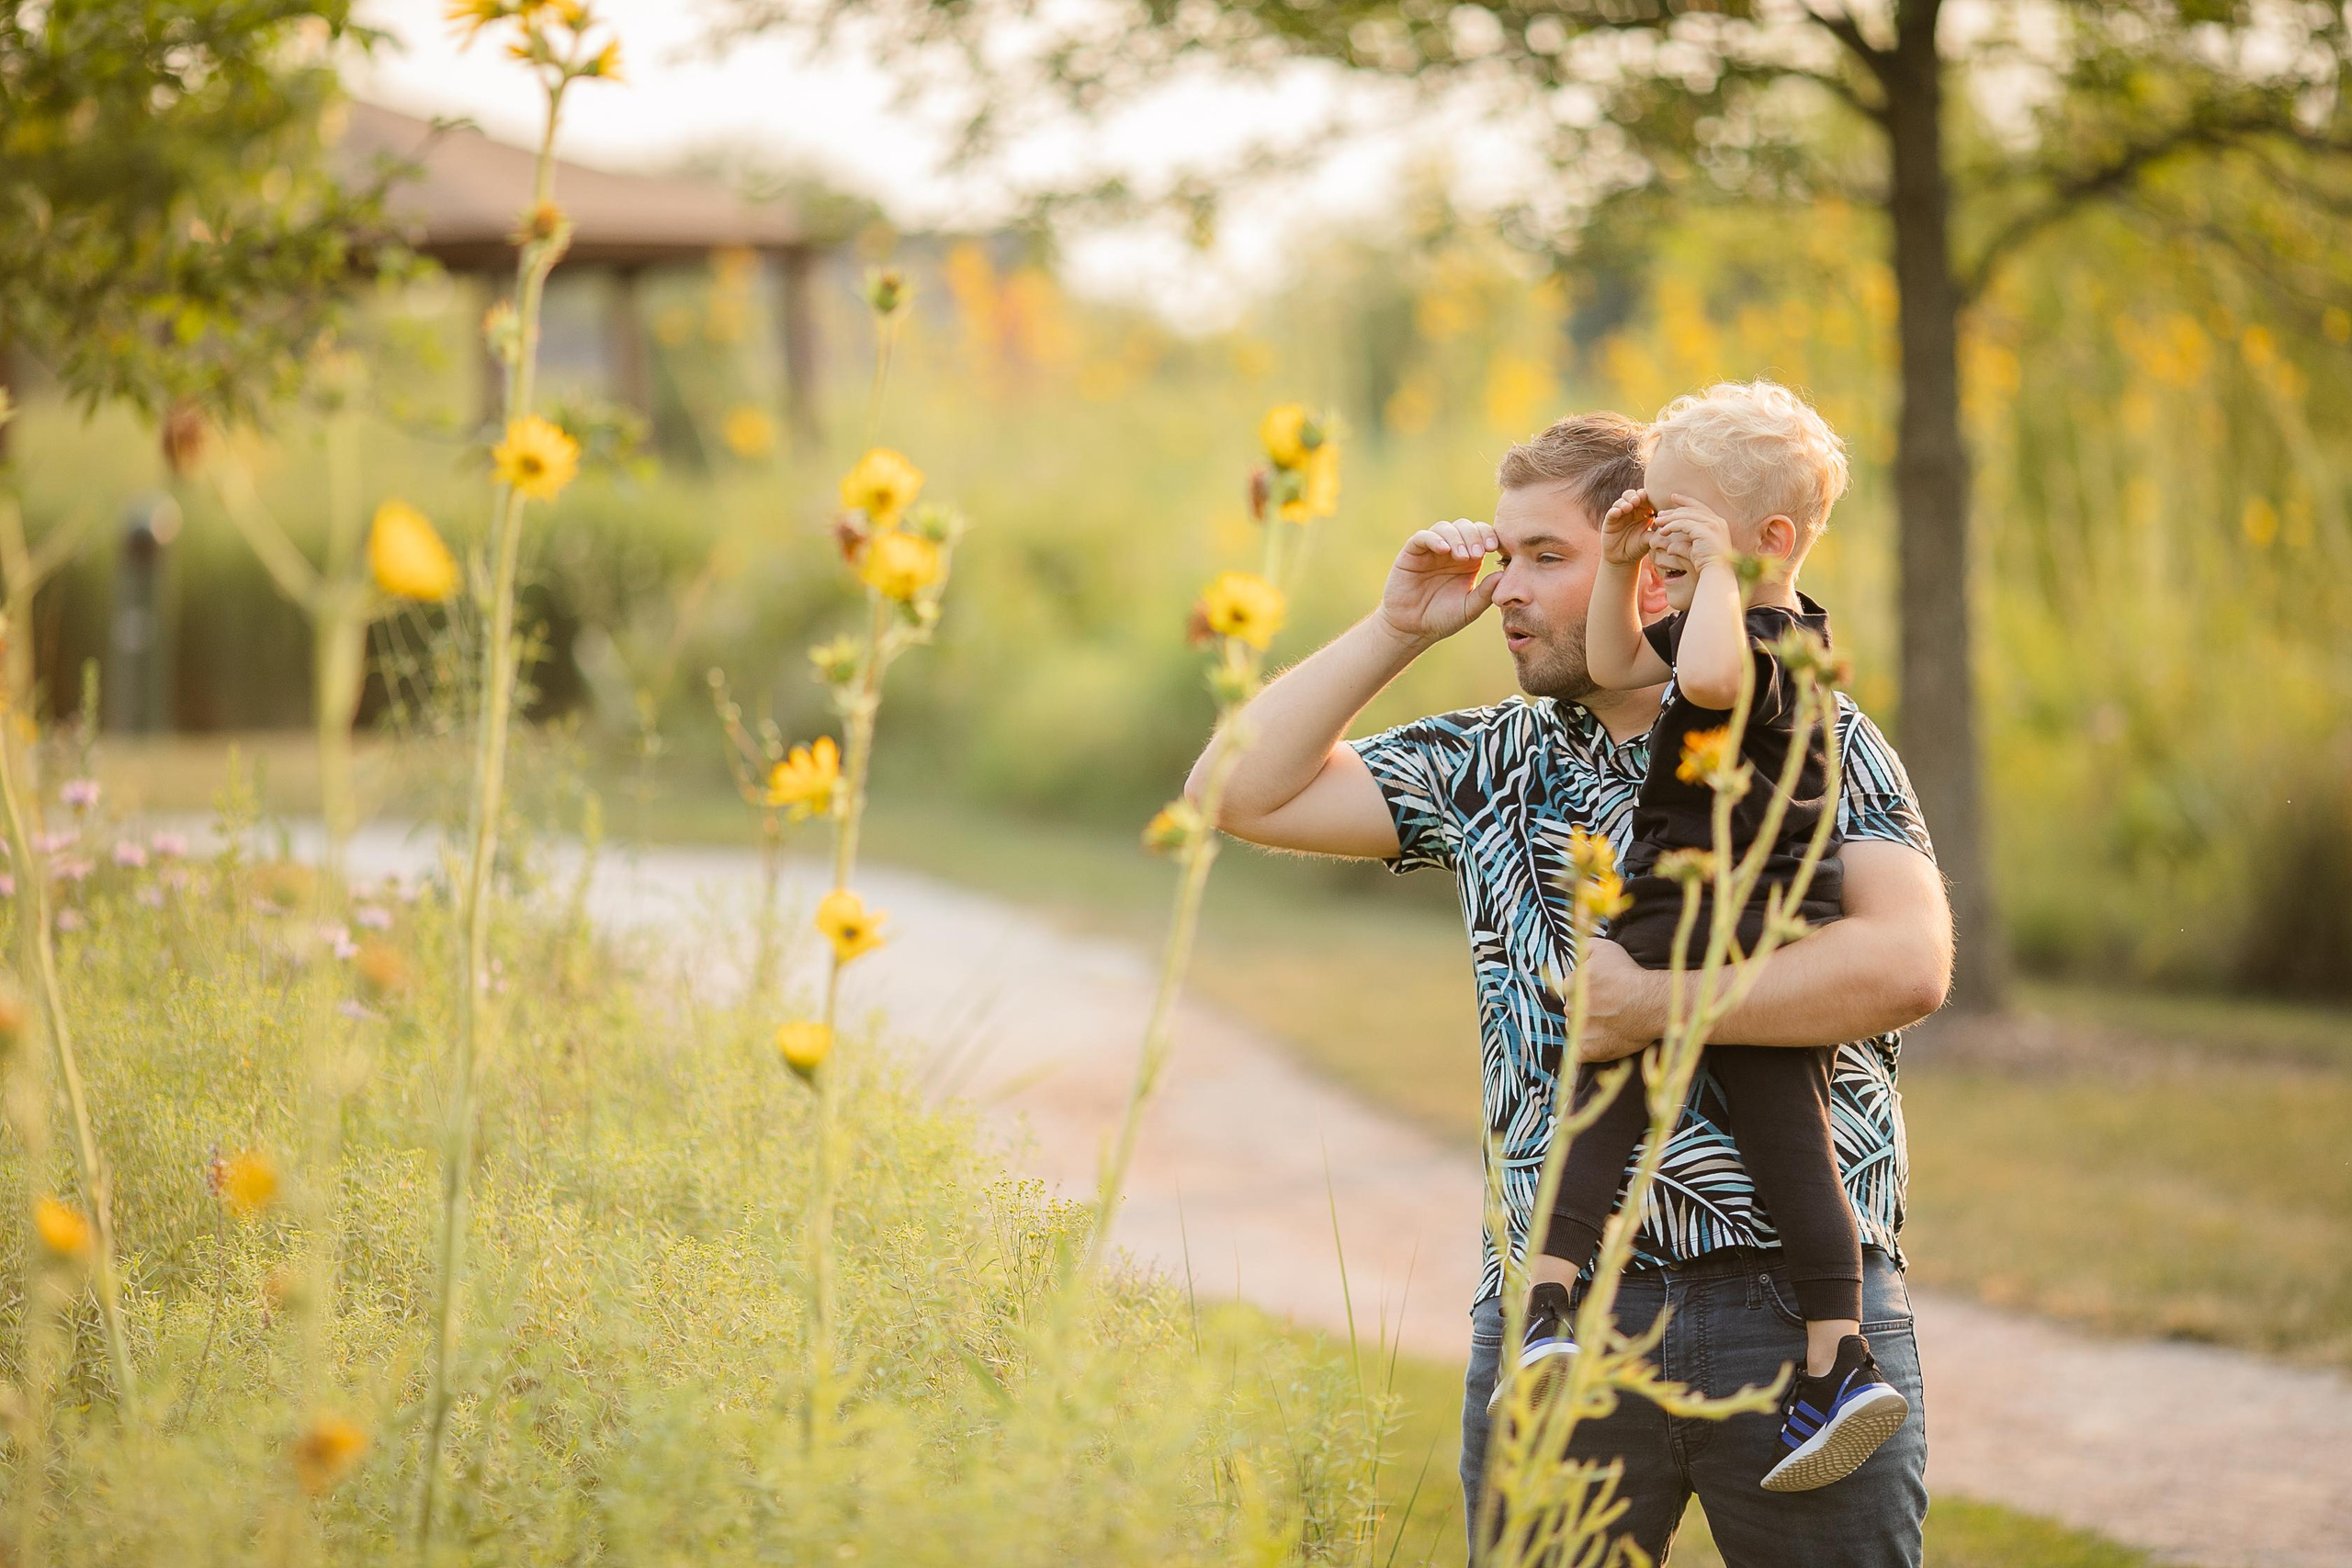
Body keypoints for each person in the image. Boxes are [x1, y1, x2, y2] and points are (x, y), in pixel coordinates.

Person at [1182, 410, 1951, 1565]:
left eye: (1546, 557)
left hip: (1793, 1312)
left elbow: (1906, 964)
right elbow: (1233, 793)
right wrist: (1394, 630)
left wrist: (1655, 1008)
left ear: (1659, 560)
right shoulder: (1498, 757)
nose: (1506, 589)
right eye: (1506, 555)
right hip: (1561, 1320)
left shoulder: (1806, 722)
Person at [1501, 383, 1906, 1498]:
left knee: (1787, 1149)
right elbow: (1620, 660)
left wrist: (1714, 576)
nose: (1662, 528)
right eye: (1652, 508)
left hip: (1737, 932)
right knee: (1608, 1111)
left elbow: (1713, 680)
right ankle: (1547, 1311)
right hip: (1678, 916)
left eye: (1682, 514)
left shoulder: (1781, 636)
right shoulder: (1704, 618)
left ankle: (1838, 1352)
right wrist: (1633, 565)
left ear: (1769, 541)